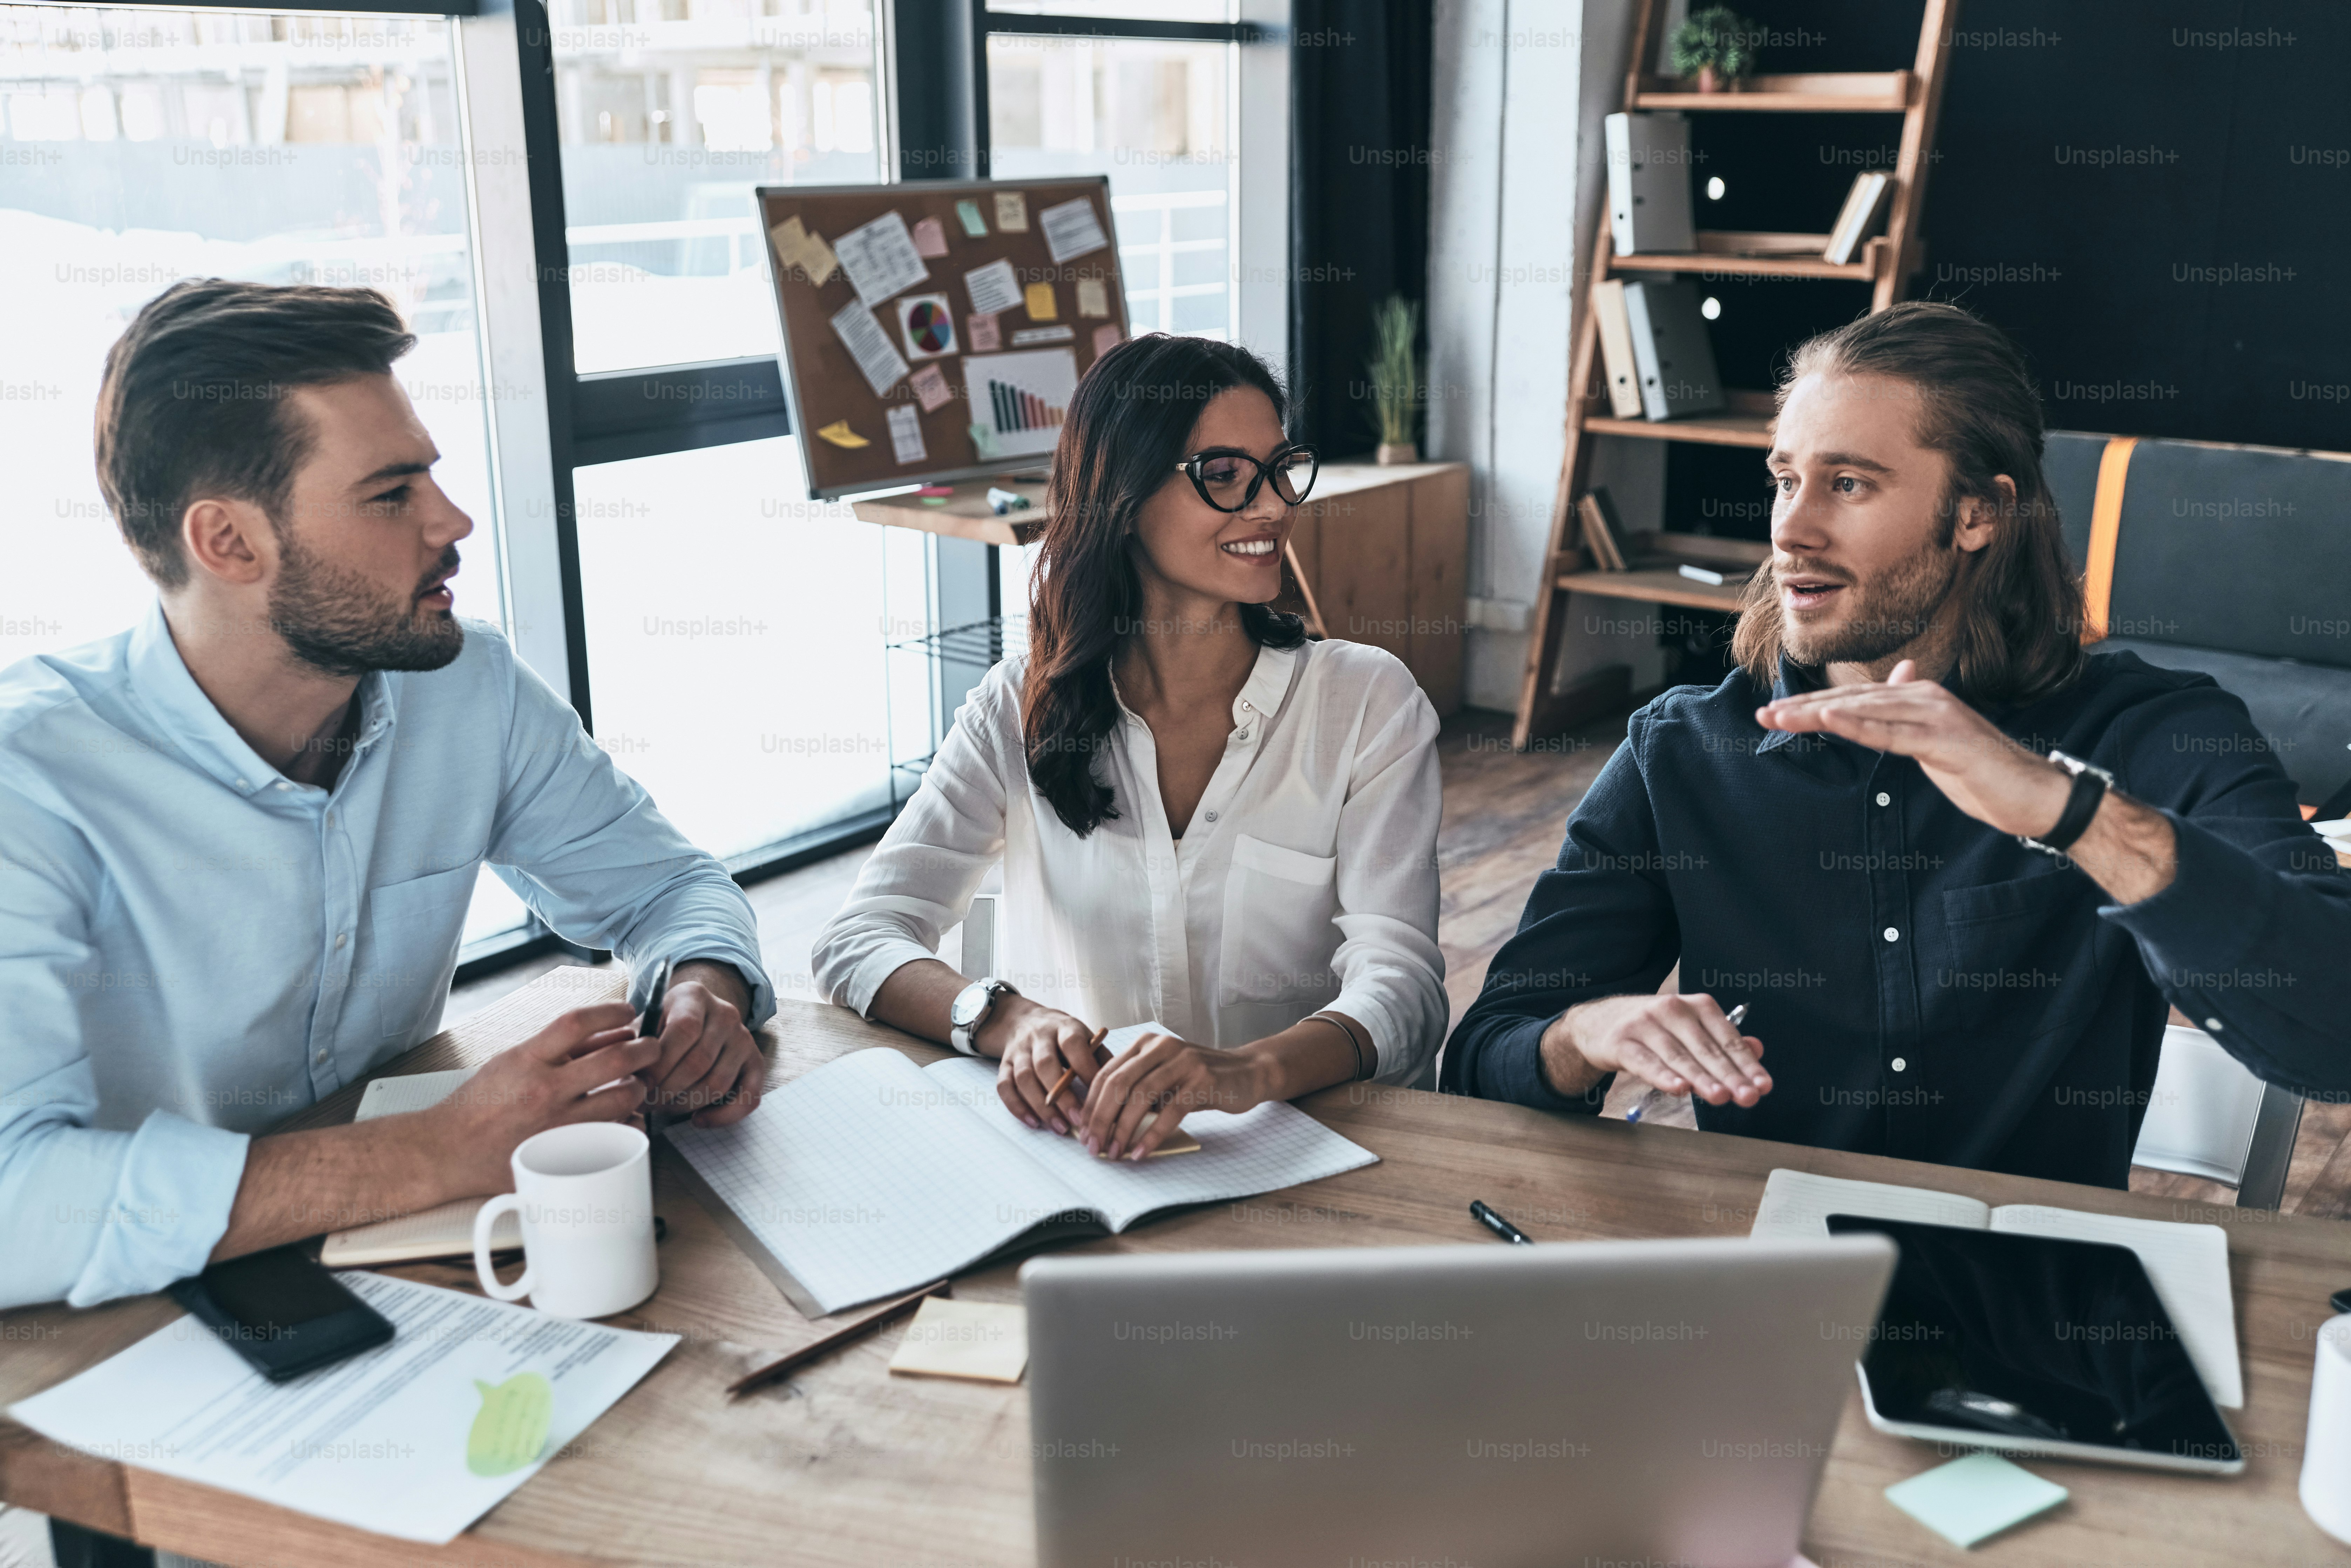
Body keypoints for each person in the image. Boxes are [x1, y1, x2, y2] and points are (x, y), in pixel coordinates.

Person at [1445, 301, 2351, 1187]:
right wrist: (1582, 1037)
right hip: (1771, 1292)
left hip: (2039, 1304)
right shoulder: (1678, 751)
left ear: (1977, 516)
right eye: (1784, 480)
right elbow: (1484, 1061)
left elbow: (2337, 1035)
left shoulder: (2158, 732)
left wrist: (2069, 813)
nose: (1790, 531)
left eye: (1848, 484)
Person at [0, 280, 775, 1314]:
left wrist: (704, 990)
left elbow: (671, 888)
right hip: (124, 1331)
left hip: (430, 1272)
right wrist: (429, 1153)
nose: (453, 521)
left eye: (434, 478)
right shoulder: (31, 782)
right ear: (227, 542)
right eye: (391, 493)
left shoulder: (467, 689)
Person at [813, 333, 1445, 1159]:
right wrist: (1007, 1017)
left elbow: (1404, 990)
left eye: (1279, 467)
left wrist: (1245, 1070)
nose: (1271, 506)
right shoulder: (1018, 704)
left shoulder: (1366, 701)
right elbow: (860, 935)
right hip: (1090, 1161)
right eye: (1222, 476)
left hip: (1311, 1160)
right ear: (1122, 493)